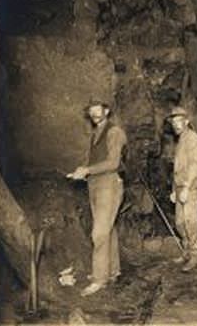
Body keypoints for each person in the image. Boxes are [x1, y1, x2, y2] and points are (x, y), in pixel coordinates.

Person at [68, 98, 127, 297]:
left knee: (99, 233)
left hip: (109, 183)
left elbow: (113, 162)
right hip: (96, 184)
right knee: (107, 228)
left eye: (97, 109)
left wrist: (87, 170)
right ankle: (112, 270)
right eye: (91, 110)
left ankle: (99, 279)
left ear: (107, 110)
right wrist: (81, 170)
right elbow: (92, 161)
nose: (94, 113)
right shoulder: (96, 134)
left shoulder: (114, 132)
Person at [168, 107, 197, 272]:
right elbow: (178, 168)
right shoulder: (181, 140)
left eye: (179, 121)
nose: (176, 125)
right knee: (180, 222)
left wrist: (185, 187)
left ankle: (196, 255)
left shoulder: (193, 139)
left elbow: (195, 165)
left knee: (191, 221)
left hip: (192, 186)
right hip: (180, 187)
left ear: (187, 121)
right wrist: (174, 189)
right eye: (174, 122)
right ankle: (187, 250)